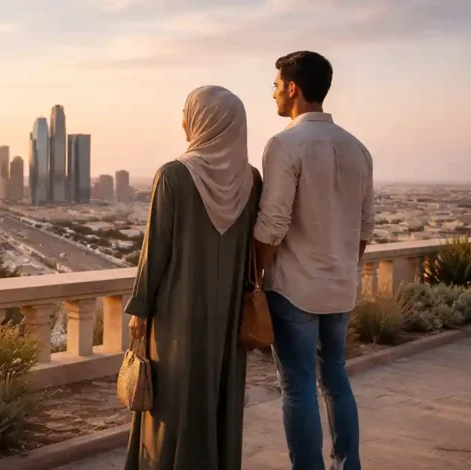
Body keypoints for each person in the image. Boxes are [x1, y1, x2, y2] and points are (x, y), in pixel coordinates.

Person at [125, 85, 262, 470]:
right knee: (218, 392)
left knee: (170, 399)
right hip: (229, 314)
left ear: (205, 120)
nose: (183, 121)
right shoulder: (250, 181)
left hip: (176, 313)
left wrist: (140, 308)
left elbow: (155, 253)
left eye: (188, 112)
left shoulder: (173, 176)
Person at [254, 51, 374, 470]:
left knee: (298, 387)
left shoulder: (285, 144)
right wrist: (343, 266)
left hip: (294, 289)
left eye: (275, 86)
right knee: (336, 379)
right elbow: (365, 227)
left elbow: (272, 225)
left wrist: (256, 273)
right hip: (340, 288)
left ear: (293, 88)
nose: (272, 94)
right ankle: (348, 465)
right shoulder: (357, 148)